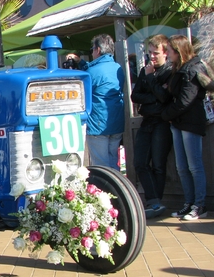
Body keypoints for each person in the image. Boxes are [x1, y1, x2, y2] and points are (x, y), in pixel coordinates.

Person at [161, 34, 209, 220]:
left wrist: (166, 115)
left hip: (189, 121)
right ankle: (189, 203)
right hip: (179, 123)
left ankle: (200, 204)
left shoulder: (192, 68)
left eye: (170, 51)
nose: (167, 54)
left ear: (178, 51)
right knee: (182, 167)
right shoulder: (178, 68)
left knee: (194, 166)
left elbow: (185, 101)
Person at [66, 34, 125, 170]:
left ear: (98, 50)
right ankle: (117, 189)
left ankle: (107, 190)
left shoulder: (92, 71)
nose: (92, 53)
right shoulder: (117, 68)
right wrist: (81, 62)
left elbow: (82, 89)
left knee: (101, 166)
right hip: (116, 122)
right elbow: (97, 74)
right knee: (113, 163)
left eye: (92, 49)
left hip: (98, 125)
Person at [131, 34, 173, 219]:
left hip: (162, 122)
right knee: (140, 162)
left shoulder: (169, 71)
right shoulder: (145, 71)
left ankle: (156, 202)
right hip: (147, 120)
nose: (152, 57)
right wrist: (153, 98)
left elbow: (165, 98)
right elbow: (135, 96)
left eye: (156, 53)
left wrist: (151, 82)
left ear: (165, 53)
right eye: (149, 53)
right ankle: (153, 201)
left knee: (158, 164)